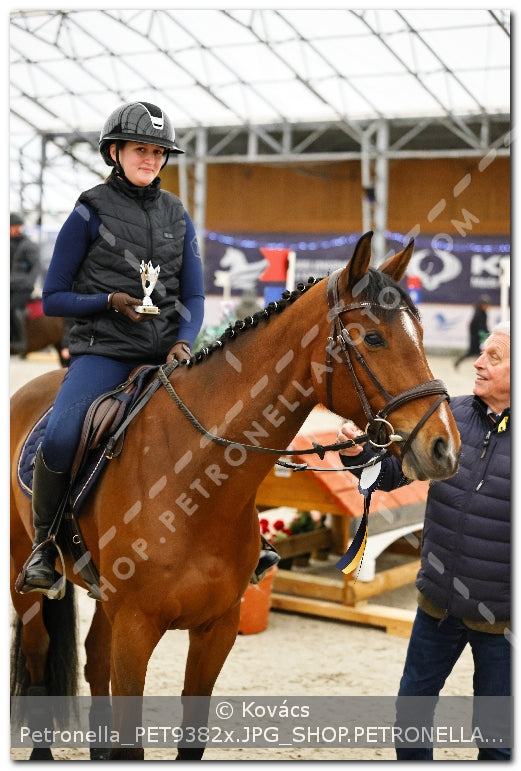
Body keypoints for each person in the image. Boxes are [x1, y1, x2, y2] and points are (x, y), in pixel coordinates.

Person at [337, 322, 510, 760]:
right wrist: (360, 457)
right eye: (482, 351)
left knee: (498, 739)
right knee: (410, 718)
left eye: (495, 357)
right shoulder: (450, 414)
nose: (478, 362)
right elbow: (397, 473)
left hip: (503, 624)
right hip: (436, 605)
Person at [10, 212, 42, 354]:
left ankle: (20, 341)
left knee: (11, 307)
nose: (16, 229)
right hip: (9, 285)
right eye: (13, 226)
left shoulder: (28, 245)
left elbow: (36, 266)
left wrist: (29, 283)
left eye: (18, 226)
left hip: (23, 286)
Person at [454, 295, 490, 369]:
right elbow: (477, 326)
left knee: (480, 353)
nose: (487, 306)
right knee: (474, 353)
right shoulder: (479, 313)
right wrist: (483, 334)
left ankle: (484, 367)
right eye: (485, 304)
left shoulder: (482, 313)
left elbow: (483, 326)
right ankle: (457, 363)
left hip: (479, 337)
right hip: (476, 338)